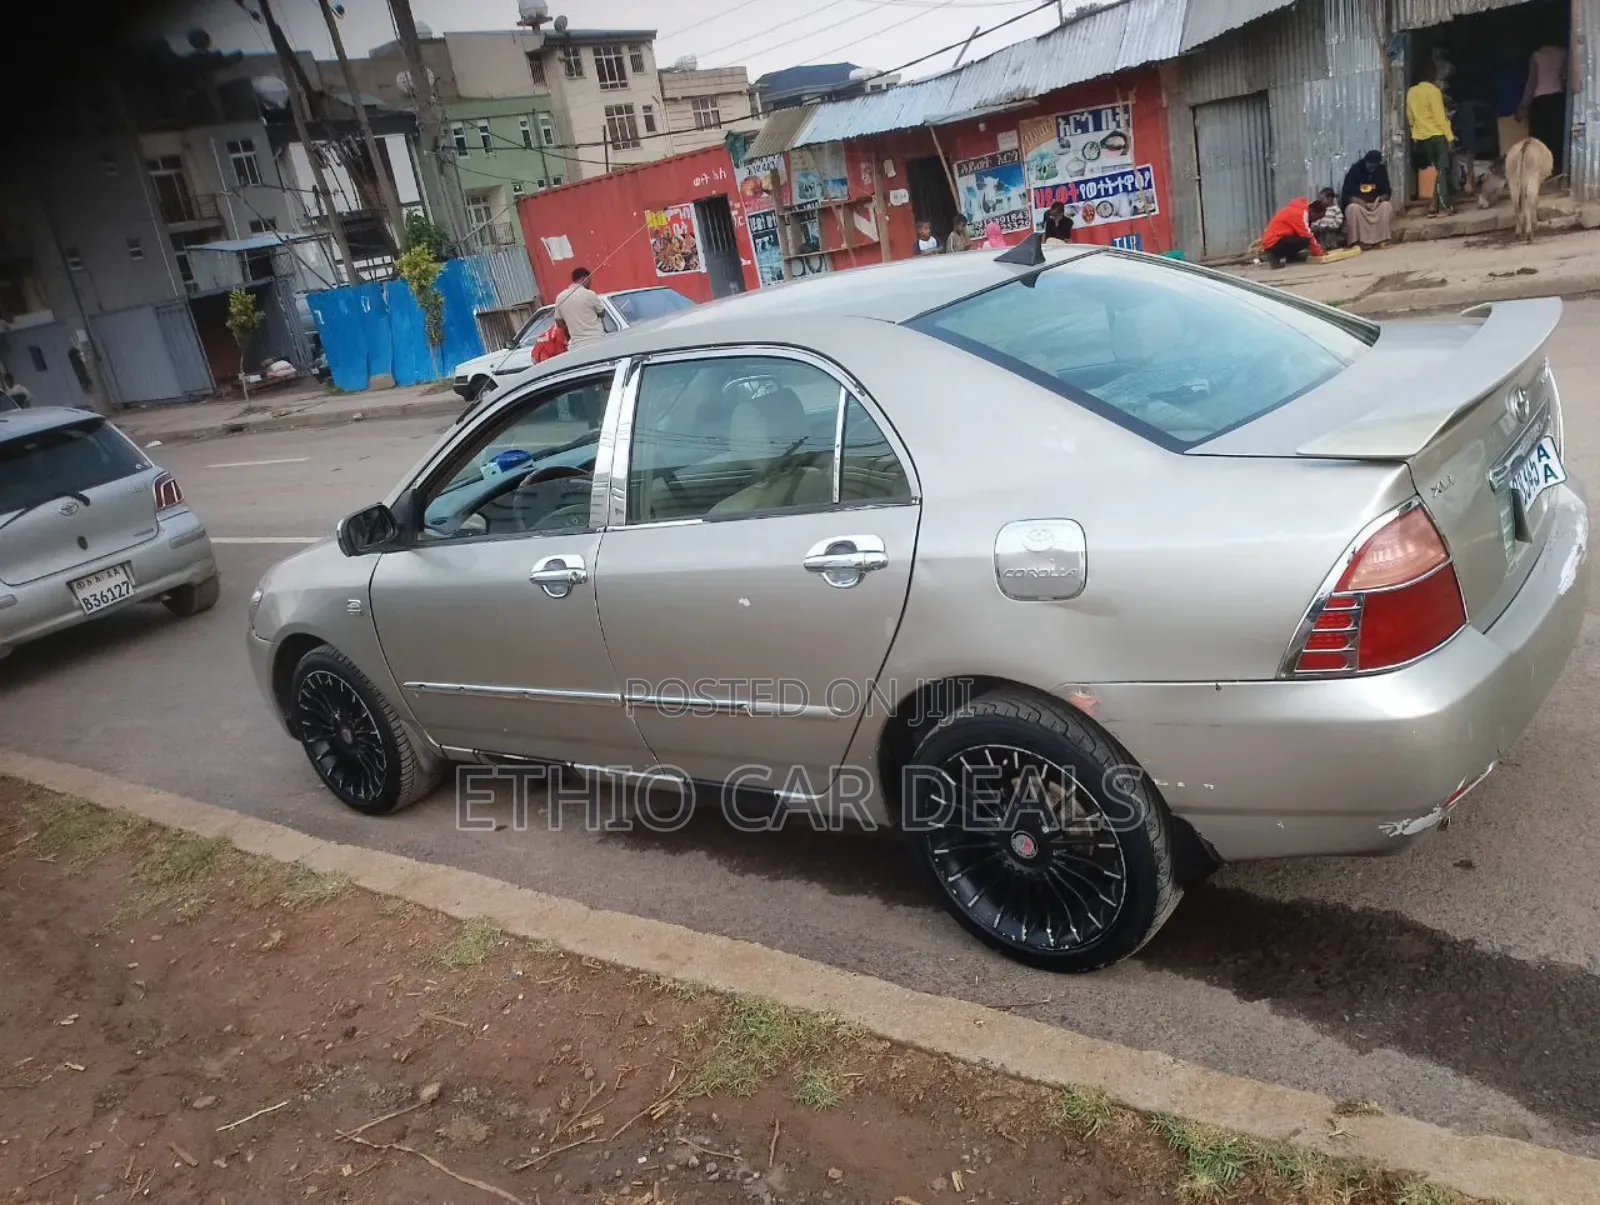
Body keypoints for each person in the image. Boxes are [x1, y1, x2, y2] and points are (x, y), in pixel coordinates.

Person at [1407, 59, 1455, 215]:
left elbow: (1410, 117)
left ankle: (1433, 205)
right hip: (1437, 137)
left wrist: (1415, 136)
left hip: (1421, 138)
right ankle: (1445, 206)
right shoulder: (1434, 91)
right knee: (1442, 170)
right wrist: (1450, 137)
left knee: (1434, 172)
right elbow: (1440, 117)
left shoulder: (1411, 92)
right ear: (1432, 74)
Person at [1520, 40, 1567, 174]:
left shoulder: (1536, 55)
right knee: (1556, 137)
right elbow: (1565, 78)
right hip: (1557, 100)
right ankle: (1556, 169)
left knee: (1539, 140)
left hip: (1540, 102)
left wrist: (1523, 105)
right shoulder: (1563, 52)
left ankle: (1541, 171)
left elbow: (1531, 82)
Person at [1340, 150, 1394, 248]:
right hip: (1360, 206)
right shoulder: (1355, 170)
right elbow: (1347, 194)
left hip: (1375, 205)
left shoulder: (1381, 170)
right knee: (1352, 209)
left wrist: (1381, 199)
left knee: (1386, 206)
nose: (1372, 168)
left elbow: (1387, 192)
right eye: (1370, 165)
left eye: (1375, 166)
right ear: (1366, 161)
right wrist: (1357, 201)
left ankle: (1381, 240)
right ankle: (1357, 242)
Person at [1260, 197, 1325, 268]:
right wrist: (1319, 252)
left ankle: (1291, 256)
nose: (1315, 221)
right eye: (1316, 218)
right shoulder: (1300, 214)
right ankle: (1274, 255)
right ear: (1312, 212)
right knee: (1305, 240)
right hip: (1272, 243)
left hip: (1274, 240)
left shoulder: (1299, 210)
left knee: (1302, 237)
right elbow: (1307, 235)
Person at [553, 267, 606, 349]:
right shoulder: (590, 294)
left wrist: (571, 324)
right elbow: (602, 313)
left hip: (577, 344)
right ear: (584, 278)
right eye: (589, 280)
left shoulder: (560, 297)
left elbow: (559, 323)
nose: (590, 283)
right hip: (597, 339)